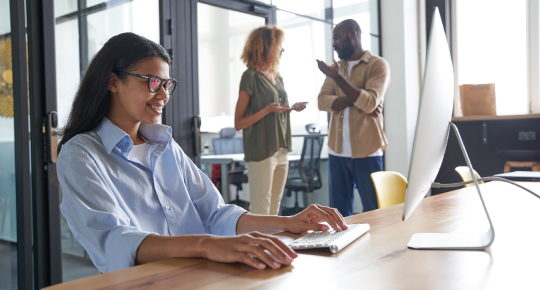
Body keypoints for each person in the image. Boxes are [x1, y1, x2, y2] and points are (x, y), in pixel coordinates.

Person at [56, 32, 346, 274]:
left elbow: (216, 214)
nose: (164, 95)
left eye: (167, 84)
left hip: (203, 274)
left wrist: (289, 222)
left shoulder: (165, 146)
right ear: (113, 82)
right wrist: (207, 245)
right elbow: (113, 240)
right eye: (152, 82)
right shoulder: (81, 155)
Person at [316, 19, 390, 217]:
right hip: (337, 150)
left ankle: (376, 248)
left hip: (368, 149)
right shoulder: (336, 67)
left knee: (372, 210)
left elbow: (370, 102)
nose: (334, 44)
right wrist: (357, 98)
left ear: (352, 35)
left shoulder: (378, 65)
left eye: (337, 38)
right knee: (339, 213)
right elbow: (322, 102)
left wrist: (339, 80)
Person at [234, 26, 306, 215]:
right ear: (266, 47)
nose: (282, 50)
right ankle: (257, 245)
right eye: (279, 46)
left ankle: (273, 244)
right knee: (261, 208)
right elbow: (238, 123)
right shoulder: (250, 77)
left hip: (281, 147)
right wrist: (266, 110)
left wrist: (292, 108)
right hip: (261, 149)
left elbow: (280, 109)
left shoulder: (277, 77)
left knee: (275, 206)